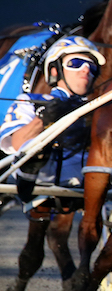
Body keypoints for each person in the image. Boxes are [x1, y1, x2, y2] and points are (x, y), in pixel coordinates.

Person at [0, 36, 105, 208]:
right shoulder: (30, 101)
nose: (86, 70)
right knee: (33, 150)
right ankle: (29, 173)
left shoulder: (100, 109)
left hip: (88, 183)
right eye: (76, 63)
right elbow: (16, 143)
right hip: (40, 183)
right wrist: (43, 119)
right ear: (55, 70)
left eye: (92, 67)